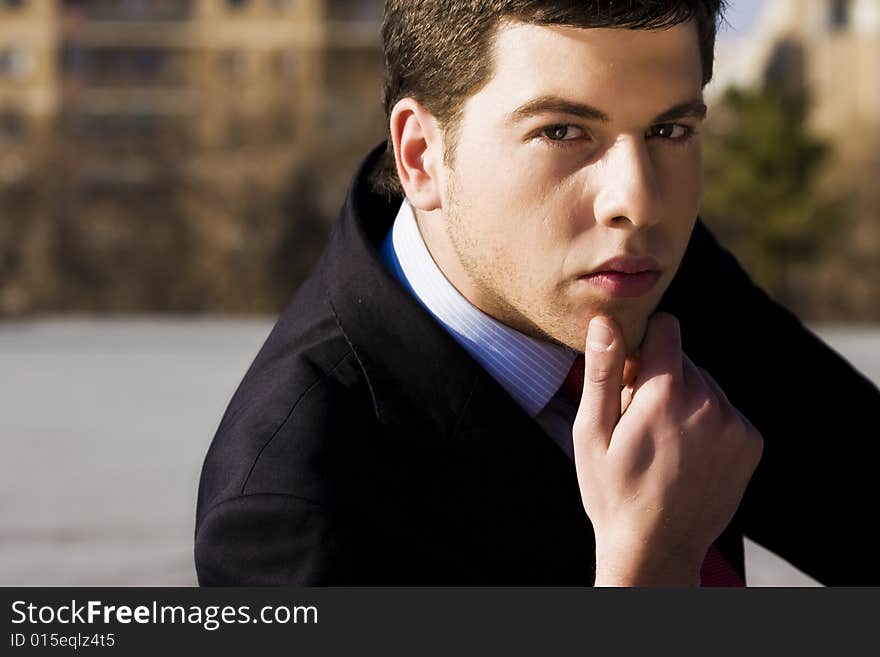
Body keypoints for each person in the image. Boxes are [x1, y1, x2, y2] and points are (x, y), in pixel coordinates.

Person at [195, 0, 880, 586]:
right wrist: (651, 578)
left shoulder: (632, 264)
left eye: (669, 130)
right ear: (421, 156)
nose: (637, 200)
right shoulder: (287, 509)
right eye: (562, 131)